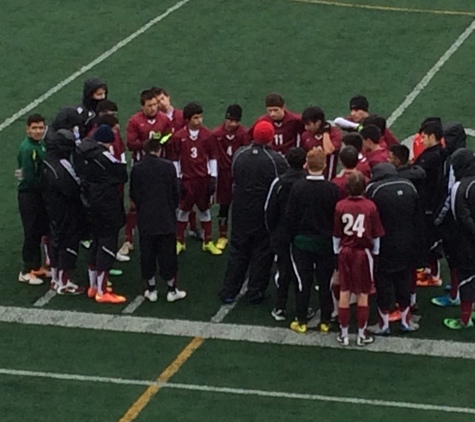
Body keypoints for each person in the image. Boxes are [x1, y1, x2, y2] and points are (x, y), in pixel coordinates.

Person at [219, 121, 288, 304]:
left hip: (240, 209)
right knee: (262, 251)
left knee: (238, 250)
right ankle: (255, 291)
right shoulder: (276, 160)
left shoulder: (239, 154)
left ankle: (229, 289)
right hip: (262, 211)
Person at [286, 148, 340, 334]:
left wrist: (291, 237)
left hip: (302, 243)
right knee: (325, 283)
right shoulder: (332, 189)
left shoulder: (298, 187)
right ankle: (325, 321)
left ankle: (301, 320)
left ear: (306, 165)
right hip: (325, 243)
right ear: (325, 166)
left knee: (303, 283)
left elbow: (290, 216)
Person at [367, 163, 422, 335]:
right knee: (404, 280)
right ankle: (405, 321)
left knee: (383, 283)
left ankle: (383, 324)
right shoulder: (409, 186)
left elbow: (370, 220)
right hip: (407, 242)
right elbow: (418, 219)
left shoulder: (374, 190)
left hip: (384, 244)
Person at [130, 138, 186, 303]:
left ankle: (152, 289)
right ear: (159, 150)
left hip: (146, 219)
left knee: (147, 254)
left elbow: (134, 194)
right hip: (165, 218)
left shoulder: (137, 168)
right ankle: (171, 289)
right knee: (167, 254)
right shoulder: (168, 167)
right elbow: (176, 192)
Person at [76, 125, 128, 304]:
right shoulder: (103, 156)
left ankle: (93, 286)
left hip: (89, 203)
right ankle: (102, 290)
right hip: (105, 205)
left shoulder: (82, 151)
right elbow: (121, 174)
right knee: (106, 245)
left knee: (95, 243)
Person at [333, 171, 384, 346]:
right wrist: (375, 254)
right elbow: (376, 235)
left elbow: (337, 234)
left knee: (344, 291)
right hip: (363, 253)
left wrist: (336, 252)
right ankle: (361, 334)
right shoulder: (370, 206)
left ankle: (344, 334)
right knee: (363, 293)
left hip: (345, 251)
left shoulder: (340, 205)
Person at [122, 90, 173, 256]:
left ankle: (164, 236)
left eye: (155, 105)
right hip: (140, 166)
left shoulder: (164, 119)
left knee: (161, 200)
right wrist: (148, 145)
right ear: (142, 106)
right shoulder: (135, 121)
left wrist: (159, 143)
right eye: (149, 105)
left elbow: (168, 136)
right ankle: (128, 239)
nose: (153, 108)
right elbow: (130, 143)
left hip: (159, 166)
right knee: (134, 203)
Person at [171, 102, 222, 255]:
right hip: (187, 180)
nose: (199, 121)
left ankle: (207, 241)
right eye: (195, 118)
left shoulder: (208, 135)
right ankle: (179, 241)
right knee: (184, 210)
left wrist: (213, 177)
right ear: (187, 119)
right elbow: (175, 159)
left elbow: (213, 157)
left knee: (205, 210)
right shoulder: (178, 137)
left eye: (200, 117)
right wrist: (177, 178)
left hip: (203, 180)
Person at [265, 147, 307, 321]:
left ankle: (280, 307)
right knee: (302, 273)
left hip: (282, 233)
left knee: (284, 271)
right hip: (302, 234)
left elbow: (269, 209)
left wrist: (273, 231)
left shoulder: (279, 182)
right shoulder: (307, 182)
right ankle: (301, 310)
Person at [41, 129, 85, 295]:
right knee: (67, 243)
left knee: (56, 240)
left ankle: (55, 278)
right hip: (65, 209)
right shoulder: (61, 165)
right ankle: (64, 282)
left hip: (52, 208)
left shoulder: (47, 161)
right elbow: (74, 188)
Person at [432, 123, 467, 307]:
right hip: (462, 215)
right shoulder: (464, 156)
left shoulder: (455, 161)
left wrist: (438, 218)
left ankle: (456, 295)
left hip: (454, 219)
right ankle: (459, 288)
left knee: (455, 258)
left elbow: (450, 193)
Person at [211, 104, 250, 250]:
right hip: (224, 175)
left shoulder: (244, 134)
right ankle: (222, 236)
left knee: (241, 207)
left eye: (236, 121)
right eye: (230, 120)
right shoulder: (216, 134)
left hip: (239, 175)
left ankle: (240, 235)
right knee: (224, 206)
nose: (233, 124)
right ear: (226, 119)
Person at [16, 114, 49, 285]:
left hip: (37, 194)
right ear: (27, 129)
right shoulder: (28, 148)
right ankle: (25, 270)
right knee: (31, 232)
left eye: (41, 128)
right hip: (30, 195)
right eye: (34, 128)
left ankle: (36, 266)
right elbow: (29, 178)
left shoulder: (39, 144)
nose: (38, 131)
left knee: (38, 230)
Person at [445, 148, 475, 329]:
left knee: (466, 278)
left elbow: (461, 217)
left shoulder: (460, 187)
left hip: (466, 241)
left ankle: (465, 320)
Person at [414, 121, 446, 286]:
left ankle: (433, 274)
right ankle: (428, 270)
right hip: (431, 202)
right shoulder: (438, 153)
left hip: (429, 204)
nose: (422, 140)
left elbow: (419, 173)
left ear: (432, 137)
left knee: (430, 238)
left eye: (424, 136)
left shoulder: (432, 156)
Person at [334, 95, 398, 147]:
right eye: (351, 110)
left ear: (364, 110)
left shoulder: (376, 123)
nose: (352, 114)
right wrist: (358, 126)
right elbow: (337, 121)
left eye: (356, 110)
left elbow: (394, 144)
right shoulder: (352, 121)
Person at [300, 106, 342, 180]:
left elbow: (328, 150)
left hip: (329, 178)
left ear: (318, 122)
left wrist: (325, 133)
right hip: (311, 177)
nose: (306, 128)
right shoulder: (305, 135)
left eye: (308, 124)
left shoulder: (334, 134)